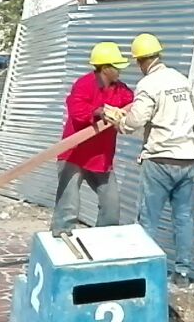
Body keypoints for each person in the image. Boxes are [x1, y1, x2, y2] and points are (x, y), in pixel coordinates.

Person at [104, 33, 194, 287]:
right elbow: (192, 112)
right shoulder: (181, 79)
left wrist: (118, 121)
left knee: (148, 219)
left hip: (160, 158)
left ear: (141, 61)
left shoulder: (148, 84)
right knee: (183, 217)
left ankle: (143, 272)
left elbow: (135, 121)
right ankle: (183, 273)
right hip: (187, 157)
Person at [52, 41, 134, 234]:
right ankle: (60, 239)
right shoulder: (84, 84)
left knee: (111, 205)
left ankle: (103, 240)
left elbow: (134, 104)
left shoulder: (121, 89)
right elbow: (76, 109)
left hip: (100, 157)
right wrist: (99, 111)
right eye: (116, 67)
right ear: (105, 68)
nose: (120, 71)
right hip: (74, 154)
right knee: (68, 206)